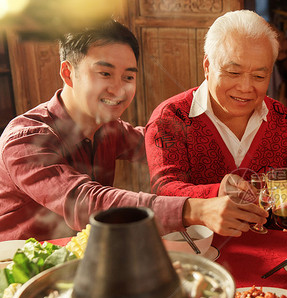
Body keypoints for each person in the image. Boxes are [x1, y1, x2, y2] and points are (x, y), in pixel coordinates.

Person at [0, 20, 266, 241]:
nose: (119, 90)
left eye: (128, 77)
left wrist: (230, 170)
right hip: (21, 272)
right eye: (105, 74)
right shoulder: (25, 139)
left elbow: (168, 148)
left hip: (87, 256)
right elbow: (88, 202)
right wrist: (194, 208)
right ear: (68, 73)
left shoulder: (109, 129)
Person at [144, 10, 287, 199]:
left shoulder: (281, 118)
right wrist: (217, 193)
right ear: (207, 66)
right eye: (233, 73)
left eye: (259, 76)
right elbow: (166, 189)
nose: (246, 88)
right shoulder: (170, 117)